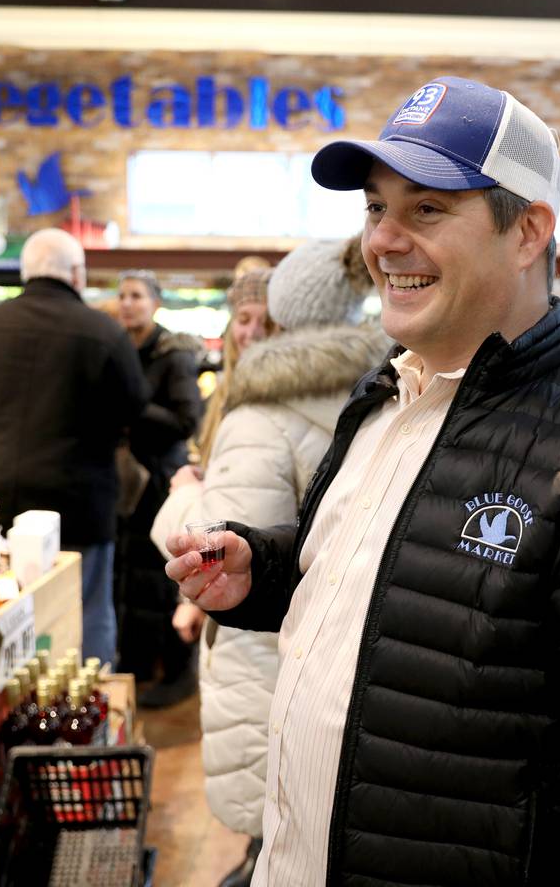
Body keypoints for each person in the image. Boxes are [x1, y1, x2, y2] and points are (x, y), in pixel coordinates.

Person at [164, 76, 560, 885]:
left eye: (426, 209)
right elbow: (402, 578)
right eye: (374, 208)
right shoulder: (388, 393)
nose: (384, 240)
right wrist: (269, 567)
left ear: (528, 230)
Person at [150, 235, 387, 887]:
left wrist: (184, 497)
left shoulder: (259, 414)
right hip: (349, 659)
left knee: (273, 830)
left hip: (265, 655)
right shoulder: (388, 396)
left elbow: (213, 549)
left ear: (278, 318)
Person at [0, 227, 147, 666]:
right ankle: (90, 714)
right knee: (86, 611)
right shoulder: (104, 333)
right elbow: (134, 408)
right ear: (76, 273)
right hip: (79, 500)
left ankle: (3, 718)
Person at [113, 269, 205, 706]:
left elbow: (187, 420)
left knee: (162, 574)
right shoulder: (118, 349)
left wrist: (134, 409)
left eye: (136, 295)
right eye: (122, 296)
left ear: (155, 302)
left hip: (161, 479)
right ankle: (137, 665)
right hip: (128, 479)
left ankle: (177, 672)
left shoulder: (173, 355)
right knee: (132, 578)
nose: (127, 303)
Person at [195, 267, 276, 472]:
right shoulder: (225, 389)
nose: (252, 332)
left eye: (267, 322)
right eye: (244, 319)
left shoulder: (278, 397)